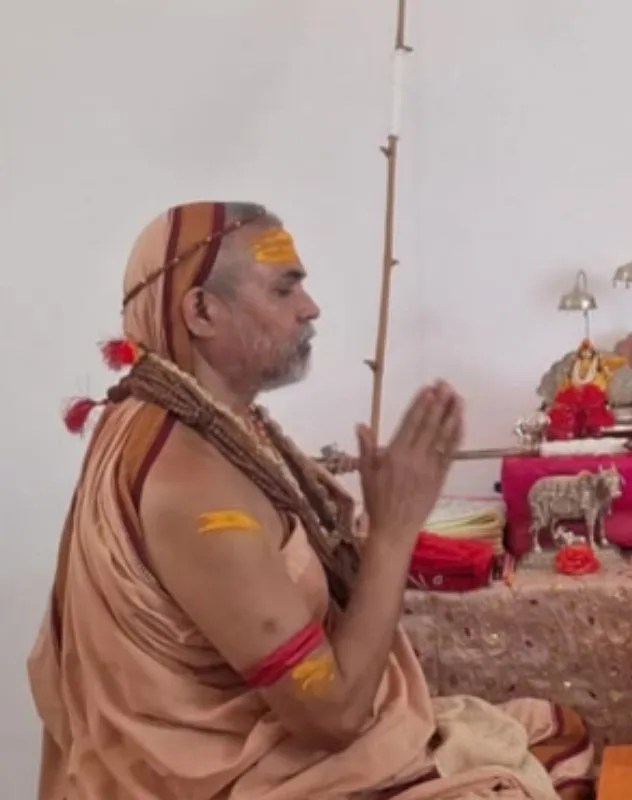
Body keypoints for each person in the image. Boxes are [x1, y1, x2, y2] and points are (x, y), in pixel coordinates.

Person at [27, 201, 595, 799]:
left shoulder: (208, 425)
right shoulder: (191, 485)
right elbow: (333, 716)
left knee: (553, 731)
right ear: (201, 311)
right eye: (284, 288)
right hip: (243, 781)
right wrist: (394, 530)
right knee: (544, 773)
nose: (310, 307)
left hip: (286, 749)